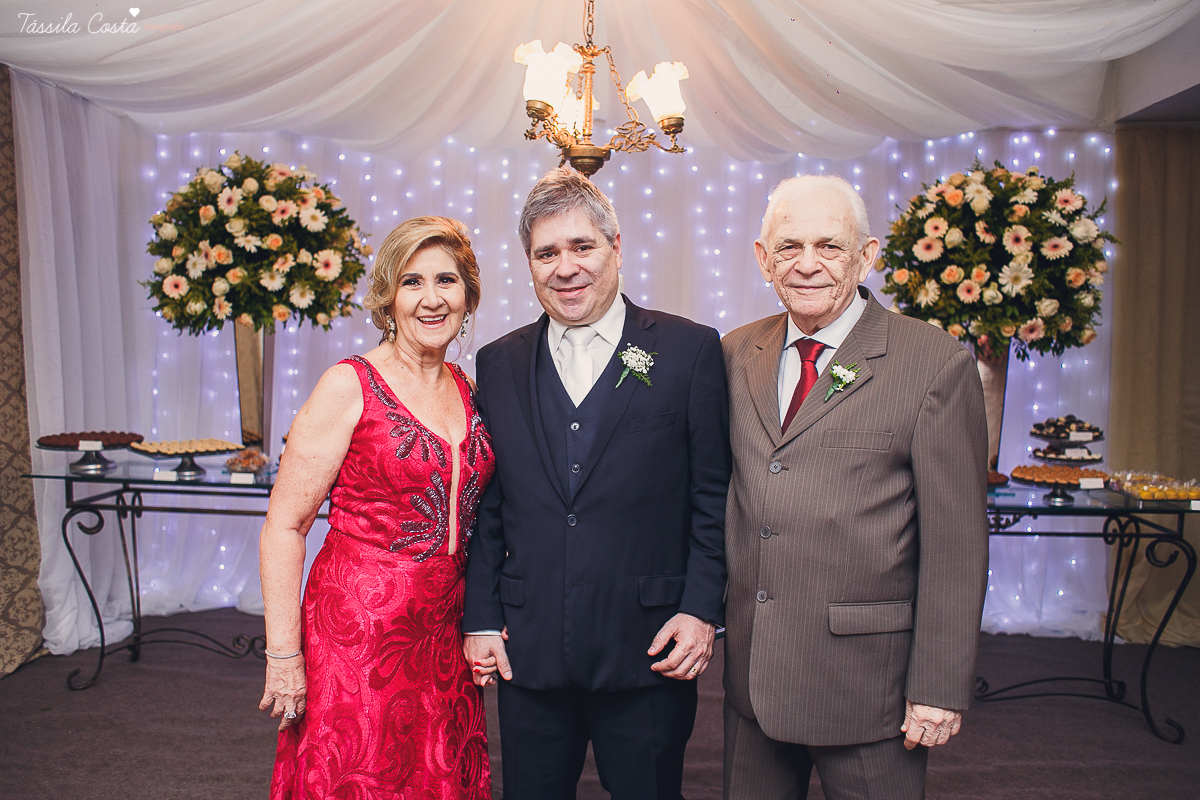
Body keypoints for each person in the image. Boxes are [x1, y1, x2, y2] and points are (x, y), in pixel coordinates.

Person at [462, 166, 730, 800]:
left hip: (650, 645)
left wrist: (700, 611)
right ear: (529, 264)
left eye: (582, 247)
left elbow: (712, 497)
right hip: (527, 650)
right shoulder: (496, 362)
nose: (566, 267)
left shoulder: (689, 350)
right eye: (546, 253)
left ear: (616, 247)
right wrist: (479, 617)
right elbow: (486, 505)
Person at [720, 175, 989, 799]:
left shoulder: (932, 364)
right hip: (755, 679)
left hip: (871, 690)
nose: (807, 265)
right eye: (788, 247)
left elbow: (956, 545)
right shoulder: (735, 353)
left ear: (867, 255)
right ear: (763, 260)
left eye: (830, 247)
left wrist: (939, 688)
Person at [258, 216, 495, 799]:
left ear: (469, 294)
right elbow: (285, 527)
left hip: (444, 633)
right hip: (356, 636)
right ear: (388, 296)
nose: (432, 300)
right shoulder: (349, 384)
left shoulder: (469, 386)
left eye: (447, 281)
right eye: (412, 282)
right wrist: (284, 655)